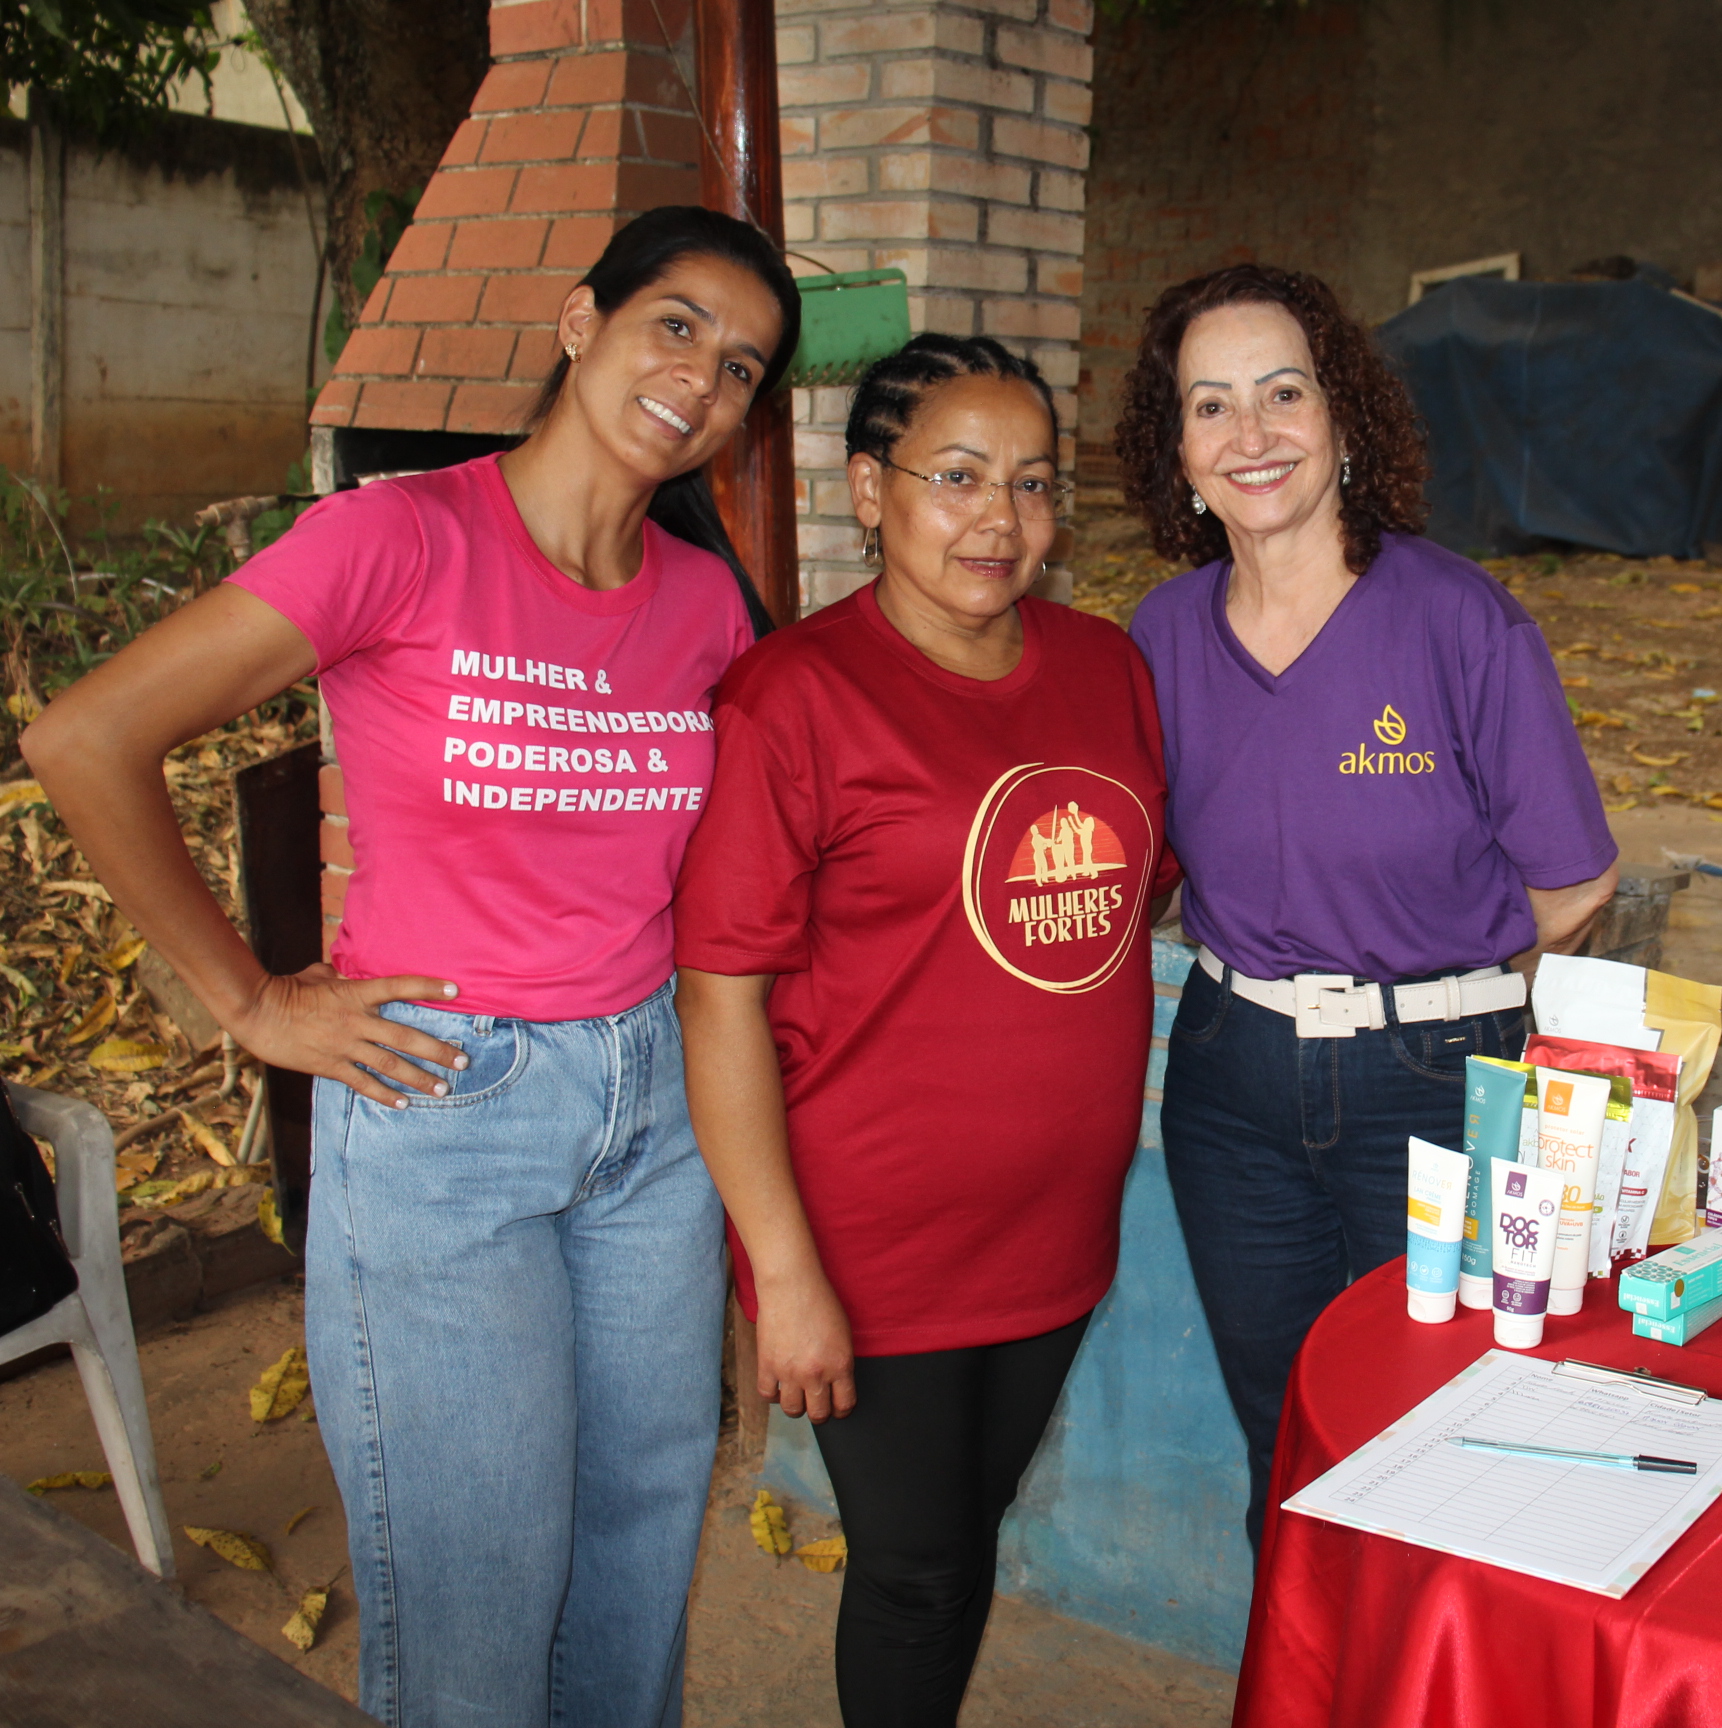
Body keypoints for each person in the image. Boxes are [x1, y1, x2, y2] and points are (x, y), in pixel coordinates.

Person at [23, 205, 800, 1726]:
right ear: (580, 323)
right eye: (677, 327)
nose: (703, 379)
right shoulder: (402, 536)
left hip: (655, 1117)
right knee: (476, 1588)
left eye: (742, 368)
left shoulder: (705, 604)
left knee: (640, 1544)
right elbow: (86, 737)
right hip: (449, 1110)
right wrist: (252, 1003)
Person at [673, 333, 1176, 1728]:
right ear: (867, 491)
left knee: (967, 1533)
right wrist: (783, 1273)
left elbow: (1129, 898)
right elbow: (719, 996)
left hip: (1055, 1227)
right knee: (915, 1568)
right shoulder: (795, 695)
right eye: (956, 476)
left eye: (1031, 482)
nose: (999, 518)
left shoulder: (1107, 670)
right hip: (872, 1238)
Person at [1116, 264, 1617, 1550]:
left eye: (1282, 393)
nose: (1251, 434)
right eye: (1211, 405)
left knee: (1437, 1444)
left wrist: (1448, 998)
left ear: (1342, 414)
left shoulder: (1459, 621)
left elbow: (1575, 883)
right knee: (1283, 1442)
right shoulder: (1158, 639)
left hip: (1432, 1088)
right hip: (1230, 1080)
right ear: (1179, 451)